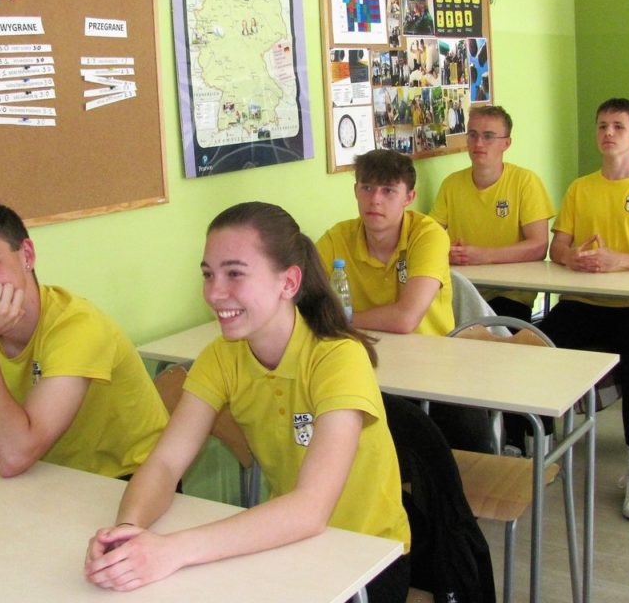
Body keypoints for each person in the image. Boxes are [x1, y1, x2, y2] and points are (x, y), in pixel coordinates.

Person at [84, 202, 411, 601]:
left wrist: (173, 550)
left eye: (234, 273)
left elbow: (311, 509)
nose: (214, 292)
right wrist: (128, 533)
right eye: (208, 274)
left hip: (365, 559)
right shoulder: (222, 357)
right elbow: (166, 463)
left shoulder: (338, 358)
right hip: (281, 544)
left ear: (288, 283)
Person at [0, 201, 167, 478]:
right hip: (45, 476)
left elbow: (12, 457)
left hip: (133, 478)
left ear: (27, 255)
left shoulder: (78, 327)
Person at [539, 98, 629, 521]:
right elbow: (558, 246)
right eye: (602, 125)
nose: (608, 133)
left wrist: (619, 260)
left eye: (618, 126)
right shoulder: (580, 188)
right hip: (583, 300)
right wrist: (573, 258)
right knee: (535, 345)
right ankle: (541, 449)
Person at [315, 150, 492, 453]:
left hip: (434, 367)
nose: (375, 200)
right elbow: (303, 299)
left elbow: (405, 319)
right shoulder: (337, 238)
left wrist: (342, 319)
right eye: (367, 188)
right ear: (355, 191)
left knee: (466, 433)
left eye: (388, 191)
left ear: (409, 197)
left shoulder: (427, 235)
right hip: (366, 363)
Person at [429, 105, 554, 322]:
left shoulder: (525, 182)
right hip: (462, 289)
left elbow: (538, 246)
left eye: (488, 136)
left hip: (510, 293)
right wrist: (446, 252)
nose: (478, 143)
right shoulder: (451, 184)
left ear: (506, 143)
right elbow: (430, 235)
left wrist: (483, 256)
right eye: (473, 135)